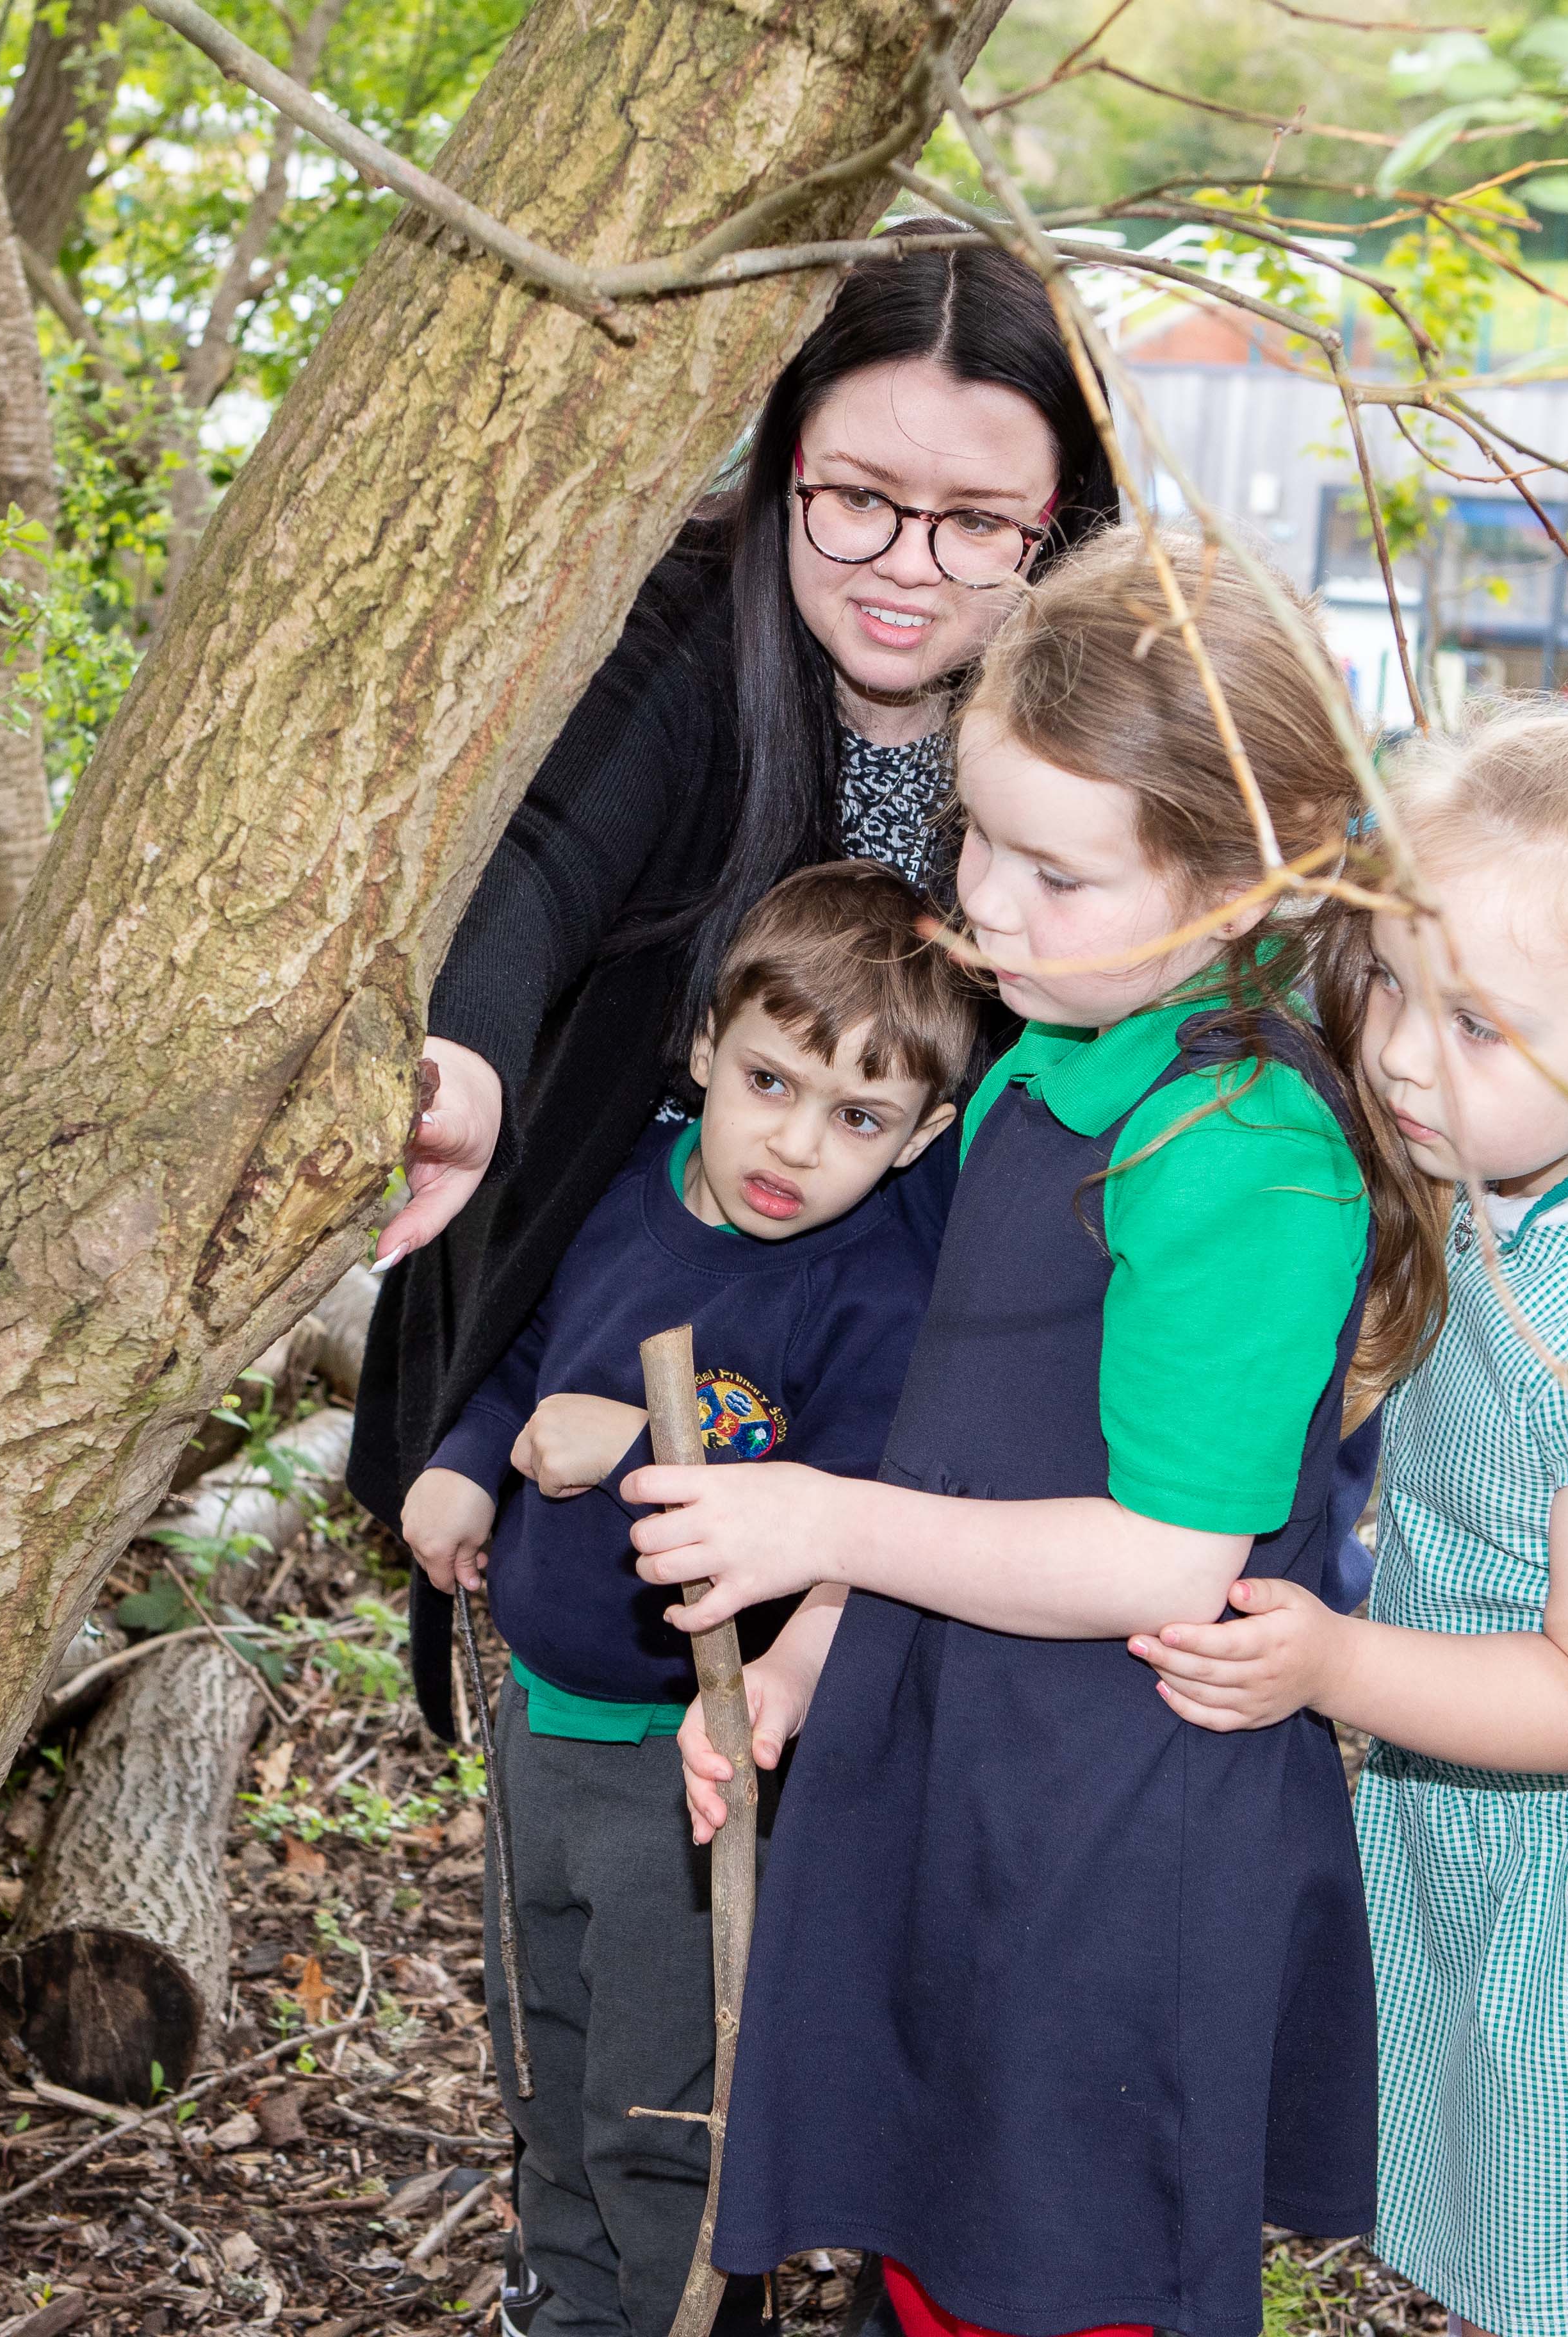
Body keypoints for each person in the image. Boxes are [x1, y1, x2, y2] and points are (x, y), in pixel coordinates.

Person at [642, 532, 1437, 2337]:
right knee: (939, 2243)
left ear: (1242, 887)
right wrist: (820, 1652)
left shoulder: (1236, 1146)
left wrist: (822, 1534)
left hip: (1112, 1839)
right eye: (977, 837)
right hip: (975, 1768)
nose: (983, 907)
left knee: (1060, 2272)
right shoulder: (1056, 1054)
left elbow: (1165, 1556)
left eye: (1058, 874)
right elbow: (965, 1449)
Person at [1132, 629, 1568, 2337]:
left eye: (1475, 1019)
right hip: (1509, 1830)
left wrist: (1333, 1667)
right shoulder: (1521, 1170)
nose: (1391, 1052)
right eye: (1385, 977)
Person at [351, 229, 1125, 1741]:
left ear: (1062, 521)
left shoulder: (1111, 691)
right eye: (857, 502)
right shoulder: (688, 619)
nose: (907, 568)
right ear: (782, 470)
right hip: (672, 1261)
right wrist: (468, 1060)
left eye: (977, 523)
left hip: (929, 1322)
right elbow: (545, 865)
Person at [396, 860, 973, 2337]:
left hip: (696, 1756)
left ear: (924, 1141)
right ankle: (563, 2300)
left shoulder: (868, 1291)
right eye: (771, 1080)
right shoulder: (619, 1189)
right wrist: (471, 1461)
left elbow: (858, 1497)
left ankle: (677, 2314)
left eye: (860, 1118)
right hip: (543, 1721)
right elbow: (533, 1354)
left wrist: (663, 1436)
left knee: (664, 2086)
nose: (795, 1143)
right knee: (548, 2041)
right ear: (707, 1043)